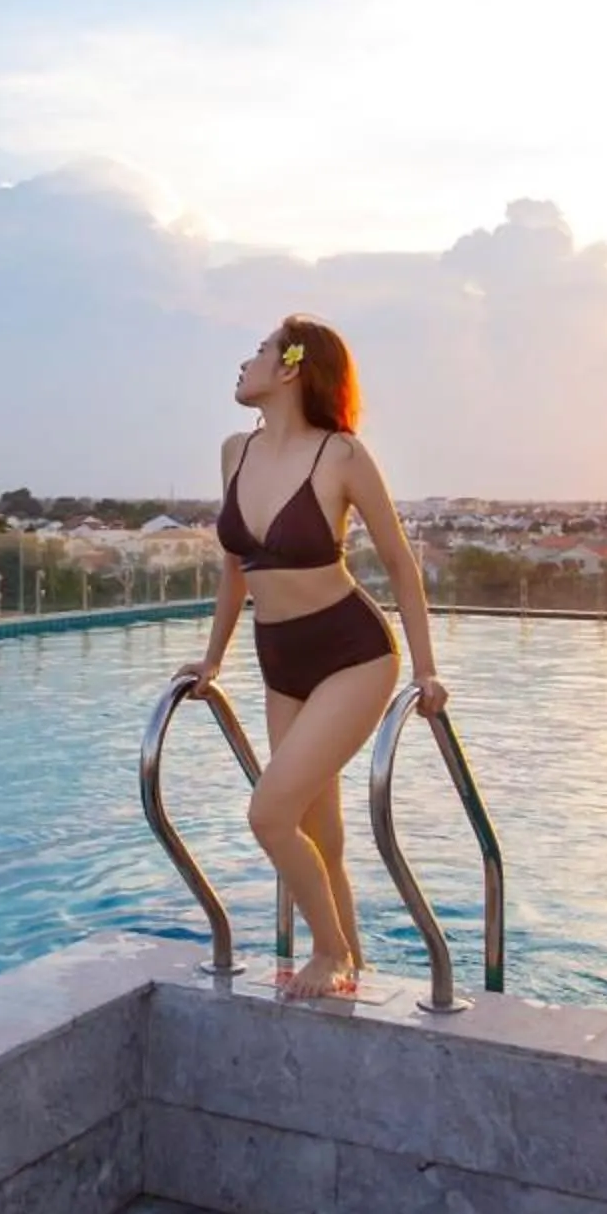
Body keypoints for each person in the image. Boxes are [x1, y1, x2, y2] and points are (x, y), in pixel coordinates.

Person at [175, 315, 444, 1000]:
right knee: (319, 833)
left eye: (260, 350)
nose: (245, 362)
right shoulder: (235, 451)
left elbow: (400, 566)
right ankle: (355, 964)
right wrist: (212, 662)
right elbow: (236, 571)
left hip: (351, 653)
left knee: (270, 815)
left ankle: (328, 952)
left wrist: (424, 670)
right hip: (279, 662)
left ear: (291, 366)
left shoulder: (341, 457)